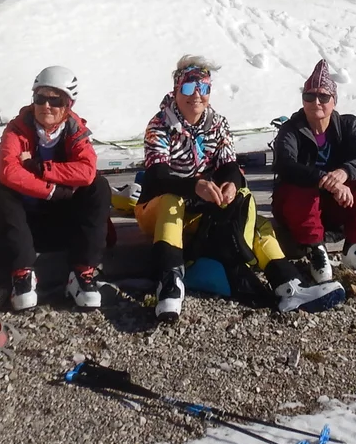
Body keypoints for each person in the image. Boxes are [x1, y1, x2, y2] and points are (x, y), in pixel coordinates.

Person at [136, 55, 343, 320]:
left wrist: (231, 185)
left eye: (203, 88)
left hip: (200, 209)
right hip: (157, 210)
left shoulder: (217, 123)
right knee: (171, 200)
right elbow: (157, 177)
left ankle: (288, 284)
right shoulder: (159, 125)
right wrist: (194, 185)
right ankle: (169, 282)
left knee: (254, 217)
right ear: (176, 90)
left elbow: (229, 164)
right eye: (188, 87)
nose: (196, 95)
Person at [0, 65, 111, 311]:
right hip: (23, 226)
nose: (46, 106)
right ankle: (22, 274)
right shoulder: (17, 129)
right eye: (40, 98)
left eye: (55, 100)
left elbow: (86, 171)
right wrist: (53, 191)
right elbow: (9, 171)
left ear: (68, 104)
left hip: (63, 222)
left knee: (98, 187)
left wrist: (40, 167)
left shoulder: (75, 130)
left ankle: (82, 272)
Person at [271, 60, 356, 283]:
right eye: (309, 96)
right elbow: (285, 164)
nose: (316, 102)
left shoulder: (347, 126)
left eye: (323, 97)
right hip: (299, 208)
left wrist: (345, 172)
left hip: (337, 204)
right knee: (299, 184)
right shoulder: (290, 129)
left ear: (334, 101)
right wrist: (325, 179)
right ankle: (316, 249)